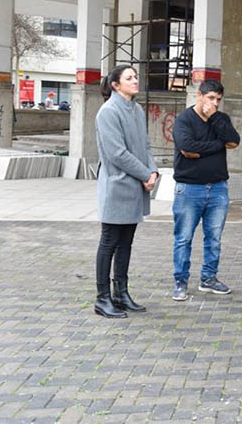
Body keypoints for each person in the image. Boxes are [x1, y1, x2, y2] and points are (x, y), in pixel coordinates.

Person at [93, 65, 158, 318]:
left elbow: (145, 144)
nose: (135, 80)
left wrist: (152, 171)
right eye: (129, 78)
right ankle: (102, 298)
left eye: (136, 77)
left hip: (136, 183)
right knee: (109, 241)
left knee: (126, 242)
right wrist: (145, 174)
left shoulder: (137, 109)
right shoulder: (108, 112)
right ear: (115, 85)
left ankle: (121, 293)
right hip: (117, 185)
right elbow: (116, 153)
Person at [171, 79, 240, 301]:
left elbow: (234, 141)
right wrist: (219, 146)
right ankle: (180, 282)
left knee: (214, 238)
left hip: (218, 188)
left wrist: (214, 119)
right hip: (189, 189)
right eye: (210, 98)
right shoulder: (184, 120)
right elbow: (188, 149)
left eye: (218, 100)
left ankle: (208, 279)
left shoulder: (220, 119)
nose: (214, 103)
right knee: (184, 237)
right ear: (199, 96)